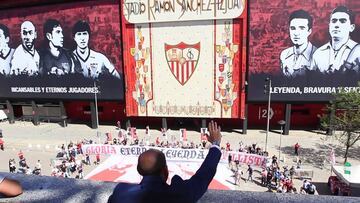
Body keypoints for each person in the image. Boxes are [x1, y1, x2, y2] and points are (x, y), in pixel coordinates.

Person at [108, 121, 222, 203]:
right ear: (165, 171)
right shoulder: (180, 194)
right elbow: (204, 175)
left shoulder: (120, 192)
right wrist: (215, 143)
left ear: (139, 170)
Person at [312, 6, 360, 73]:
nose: (336, 25)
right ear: (329, 26)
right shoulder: (318, 54)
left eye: (342, 21)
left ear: (351, 27)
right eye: (334, 21)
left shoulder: (358, 52)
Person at [280, 10, 317, 77]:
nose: (296, 33)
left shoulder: (318, 55)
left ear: (309, 31)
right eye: (293, 28)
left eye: (302, 28)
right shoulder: (284, 55)